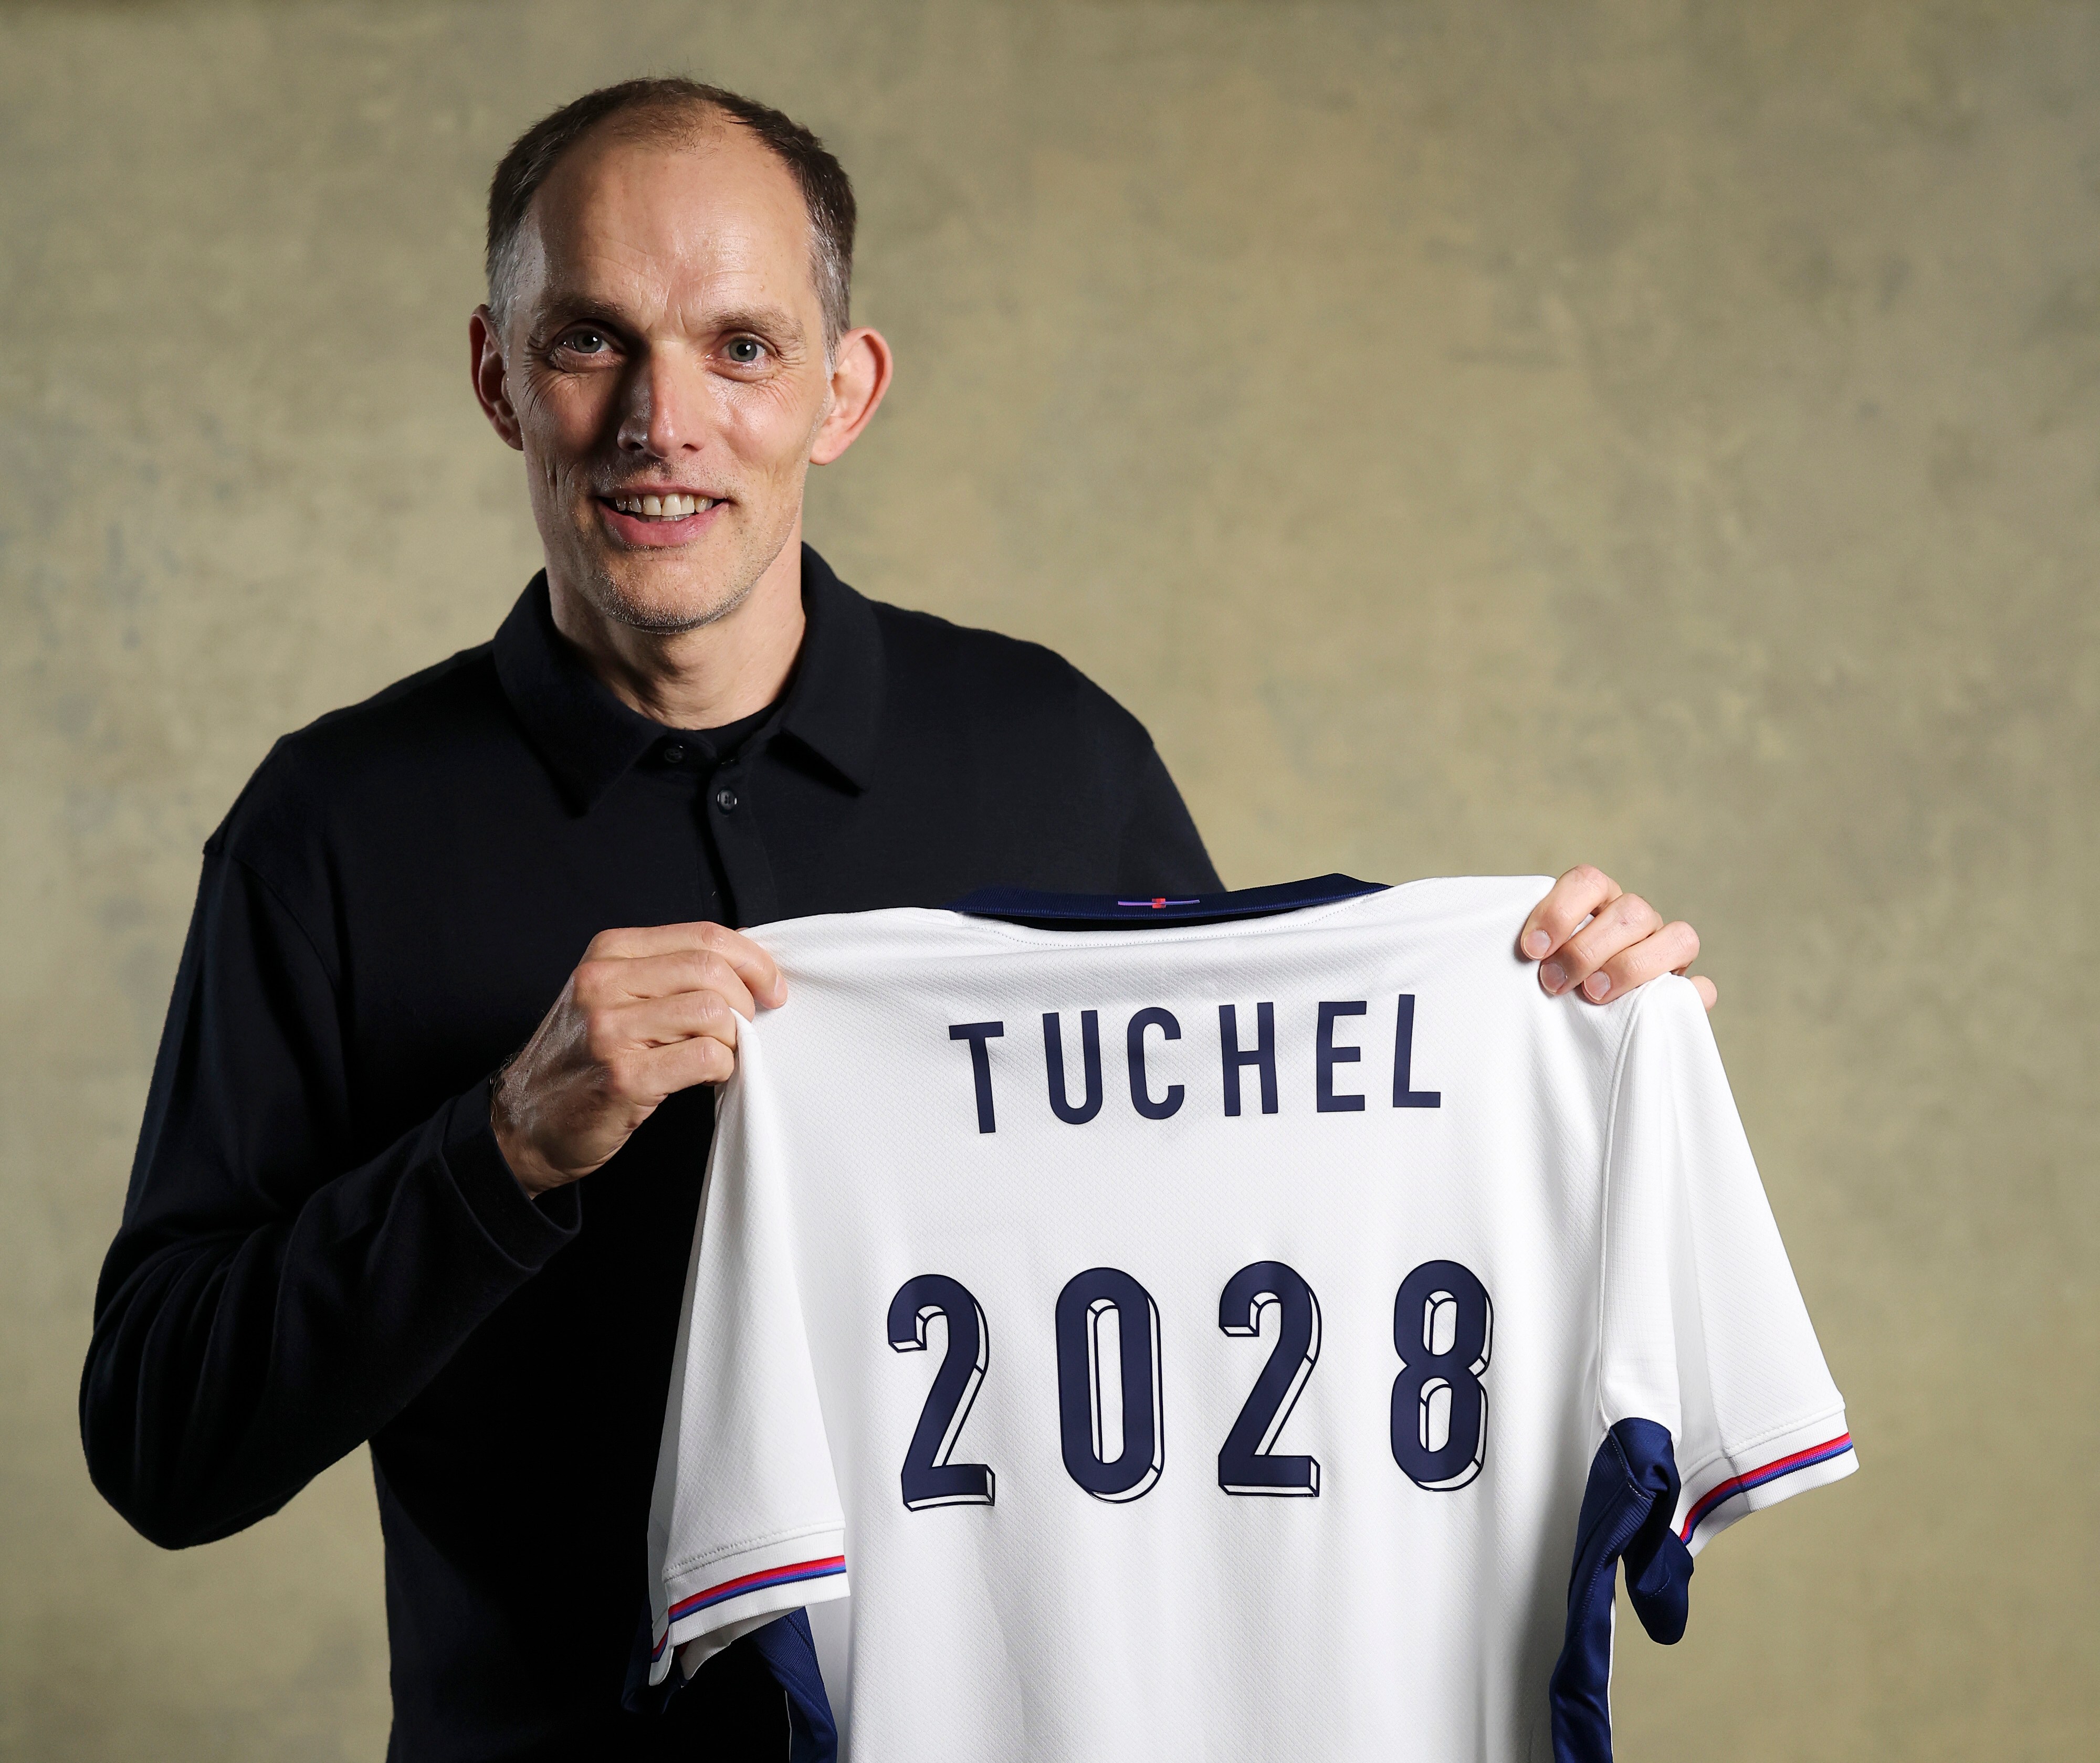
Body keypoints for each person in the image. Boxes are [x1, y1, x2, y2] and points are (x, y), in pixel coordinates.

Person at [80, 78, 1712, 1760]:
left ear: (843, 393)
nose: (665, 419)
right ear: (499, 378)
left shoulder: (1062, 759)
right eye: (591, 342)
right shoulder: (328, 831)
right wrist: (500, 1152)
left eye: (742, 348)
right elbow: (161, 1444)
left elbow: (1272, 1251)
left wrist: (1560, 1045)